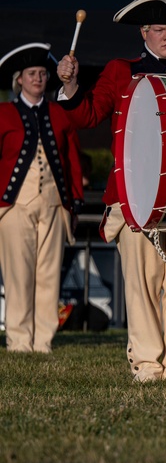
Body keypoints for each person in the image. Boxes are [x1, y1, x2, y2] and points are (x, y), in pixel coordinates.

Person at [55, 0, 166, 382]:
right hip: (132, 198)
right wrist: (70, 85)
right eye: (159, 29)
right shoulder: (122, 71)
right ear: (144, 32)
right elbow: (87, 115)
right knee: (142, 285)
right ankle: (148, 364)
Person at [0, 43, 83, 353]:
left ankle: (44, 340)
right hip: (13, 205)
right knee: (18, 274)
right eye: (32, 74)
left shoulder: (60, 114)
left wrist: (73, 202)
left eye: (43, 74)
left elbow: (72, 160)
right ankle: (20, 341)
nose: (38, 79)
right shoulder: (4, 114)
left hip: (53, 203)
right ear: (19, 79)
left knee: (49, 273)